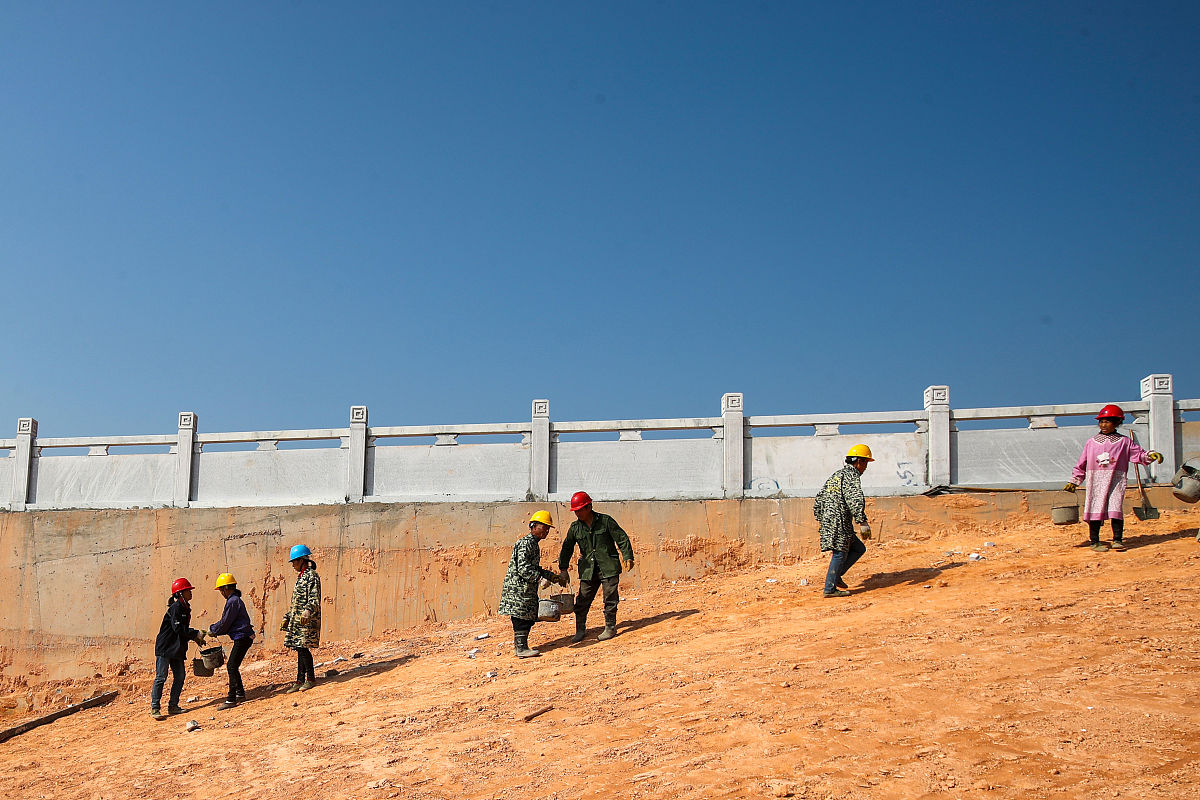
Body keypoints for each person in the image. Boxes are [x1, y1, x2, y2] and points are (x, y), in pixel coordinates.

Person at [1064, 404, 1163, 552]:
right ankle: (1095, 541)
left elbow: (1138, 454)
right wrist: (1075, 481)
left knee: (1115, 507)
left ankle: (1117, 539)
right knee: (1095, 508)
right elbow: (1082, 463)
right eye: (1101, 421)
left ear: (1117, 423)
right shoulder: (1091, 442)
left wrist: (1149, 455)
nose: (1103, 425)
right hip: (1095, 480)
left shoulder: (1124, 442)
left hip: (1116, 479)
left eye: (1108, 421)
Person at [558, 491, 635, 643]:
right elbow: (567, 547)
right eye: (575, 511)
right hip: (588, 569)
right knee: (582, 601)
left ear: (588, 507)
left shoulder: (606, 521)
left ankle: (610, 627)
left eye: (580, 510)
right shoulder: (575, 528)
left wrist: (628, 556)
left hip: (608, 566)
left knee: (610, 598)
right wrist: (563, 569)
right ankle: (580, 630)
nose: (577, 513)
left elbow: (622, 538)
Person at [498, 510, 569, 658]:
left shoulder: (533, 544)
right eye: (544, 527)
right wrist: (539, 579)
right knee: (521, 617)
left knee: (527, 617)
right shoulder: (525, 544)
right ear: (534, 526)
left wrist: (553, 577)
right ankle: (521, 648)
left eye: (548, 528)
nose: (547, 531)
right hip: (519, 590)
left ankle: (521, 647)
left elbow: (535, 568)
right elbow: (523, 568)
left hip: (526, 589)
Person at [815, 445, 874, 598]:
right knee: (840, 553)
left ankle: (837, 576)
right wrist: (862, 521)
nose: (865, 468)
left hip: (830, 520)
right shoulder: (851, 476)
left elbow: (819, 498)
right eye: (866, 463)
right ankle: (830, 588)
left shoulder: (836, 475)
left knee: (858, 548)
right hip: (839, 521)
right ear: (859, 462)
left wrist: (822, 518)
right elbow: (854, 498)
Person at [150, 577, 206, 720]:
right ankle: (155, 707)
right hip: (165, 647)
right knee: (161, 677)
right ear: (180, 593)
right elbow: (177, 628)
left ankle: (173, 706)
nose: (190, 593)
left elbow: (182, 630)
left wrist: (195, 638)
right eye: (188, 590)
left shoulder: (185, 608)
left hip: (176, 648)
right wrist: (195, 633)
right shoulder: (176, 608)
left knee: (180, 676)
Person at [209, 572, 255, 710]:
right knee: (233, 665)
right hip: (243, 636)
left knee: (231, 666)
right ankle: (240, 694)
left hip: (242, 637)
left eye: (221, 590)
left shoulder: (232, 601)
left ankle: (231, 699)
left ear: (226, 588)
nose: (221, 593)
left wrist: (213, 629)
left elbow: (225, 622)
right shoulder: (234, 600)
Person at [281, 545, 321, 692]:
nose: (293, 565)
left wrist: (307, 612)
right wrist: (288, 617)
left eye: (294, 562)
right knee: (299, 648)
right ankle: (299, 680)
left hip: (307, 620)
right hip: (298, 621)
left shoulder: (312, 576)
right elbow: (296, 602)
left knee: (303, 649)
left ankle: (310, 678)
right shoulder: (301, 577)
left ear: (302, 560)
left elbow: (314, 598)